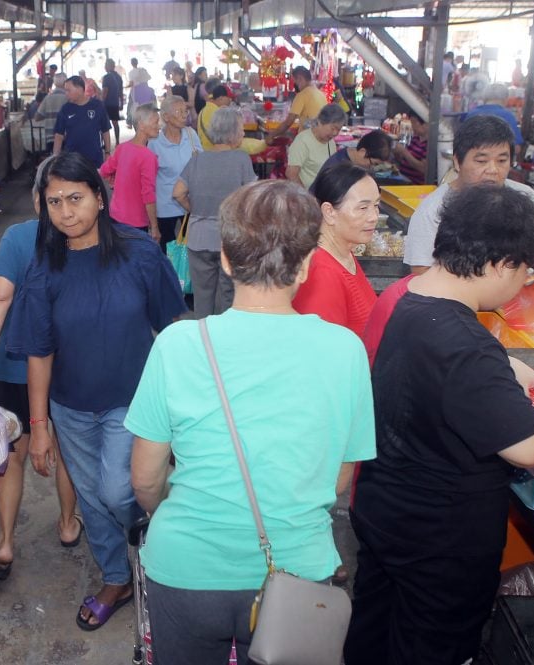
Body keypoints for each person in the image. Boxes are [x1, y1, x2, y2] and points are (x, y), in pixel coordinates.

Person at [127, 179, 375, 665]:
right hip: (297, 571)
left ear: (223, 258)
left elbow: (145, 477)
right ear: (305, 265)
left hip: (185, 569)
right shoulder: (346, 351)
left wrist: (168, 511)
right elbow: (340, 478)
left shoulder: (177, 346)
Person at [344, 184, 534, 665]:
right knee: (431, 648)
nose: (522, 287)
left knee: (374, 631)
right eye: (526, 272)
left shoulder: (408, 296)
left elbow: (438, 368)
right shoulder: (467, 344)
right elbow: (528, 448)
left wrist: (509, 368)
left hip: (386, 508)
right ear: (500, 264)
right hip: (439, 539)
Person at [7, 152, 186, 632]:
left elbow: (171, 328)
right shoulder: (46, 266)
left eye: (75, 198)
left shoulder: (139, 253)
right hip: (70, 406)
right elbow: (39, 352)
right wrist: (39, 426)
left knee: (119, 490)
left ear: (99, 199)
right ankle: (116, 577)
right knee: (91, 497)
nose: (66, 211)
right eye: (54, 202)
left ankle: (165, 541)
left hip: (134, 402)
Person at [0, 161, 83, 581]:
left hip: (14, 366)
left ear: (36, 199)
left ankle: (4, 543)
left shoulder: (19, 236)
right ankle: (69, 524)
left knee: (12, 456)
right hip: (69, 364)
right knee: (68, 449)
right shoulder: (83, 239)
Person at [403, 115, 534, 278]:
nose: (493, 170)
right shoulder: (432, 211)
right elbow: (421, 273)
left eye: (502, 160)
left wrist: (522, 286)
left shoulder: (527, 198)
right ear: (458, 162)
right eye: (481, 161)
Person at [173, 107, 257, 316]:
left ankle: (203, 337)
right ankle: (223, 340)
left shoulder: (197, 159)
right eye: (241, 129)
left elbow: (178, 193)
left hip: (198, 237)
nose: (243, 133)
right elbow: (252, 199)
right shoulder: (241, 159)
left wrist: (196, 210)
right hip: (230, 237)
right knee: (228, 294)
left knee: (202, 294)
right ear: (231, 131)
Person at [292, 163, 379, 339]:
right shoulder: (322, 273)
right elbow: (325, 352)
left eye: (376, 205)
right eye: (363, 208)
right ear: (329, 212)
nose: (374, 216)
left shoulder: (344, 253)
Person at [149, 95, 202, 250]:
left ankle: (186, 274)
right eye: (179, 112)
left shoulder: (191, 134)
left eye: (185, 111)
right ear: (166, 117)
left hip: (189, 202)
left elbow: (201, 160)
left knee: (191, 247)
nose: (184, 115)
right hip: (165, 205)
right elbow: (149, 177)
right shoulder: (155, 142)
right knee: (167, 247)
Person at [101, 104, 161, 240]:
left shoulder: (122, 148)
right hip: (136, 222)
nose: (159, 126)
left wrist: (113, 179)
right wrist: (155, 227)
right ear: (141, 125)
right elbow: (148, 194)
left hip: (115, 216)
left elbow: (104, 170)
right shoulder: (148, 157)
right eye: (156, 122)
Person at [52, 75, 112, 168]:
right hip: (72, 160)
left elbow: (105, 131)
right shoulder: (65, 109)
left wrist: (107, 153)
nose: (66, 94)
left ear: (80, 89)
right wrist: (55, 158)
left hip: (94, 160)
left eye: (68, 90)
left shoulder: (97, 106)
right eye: (65, 90)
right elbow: (59, 135)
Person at [285, 103, 346, 187]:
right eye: (333, 128)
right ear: (320, 122)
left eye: (338, 130)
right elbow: (291, 174)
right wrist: (307, 196)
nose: (335, 133)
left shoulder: (331, 143)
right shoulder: (303, 141)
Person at [265, 66, 326, 143]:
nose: (295, 85)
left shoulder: (302, 95)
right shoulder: (321, 94)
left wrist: (271, 135)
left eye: (295, 82)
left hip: (308, 140)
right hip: (320, 139)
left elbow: (288, 122)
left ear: (300, 79)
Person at [318, 129, 393, 175]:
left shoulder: (349, 157)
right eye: (373, 163)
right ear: (362, 152)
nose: (371, 167)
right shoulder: (338, 168)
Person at [196, 83, 233, 151]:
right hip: (214, 153)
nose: (230, 101)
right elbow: (223, 137)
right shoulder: (217, 113)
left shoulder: (204, 110)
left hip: (205, 152)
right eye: (229, 98)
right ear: (220, 98)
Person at [394, 113, 428, 184]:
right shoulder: (416, 138)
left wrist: (404, 152)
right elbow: (406, 161)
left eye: (414, 124)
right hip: (403, 179)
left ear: (425, 124)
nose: (413, 127)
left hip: (414, 185)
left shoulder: (430, 145)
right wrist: (397, 153)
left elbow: (423, 168)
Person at [100, 59, 124, 145]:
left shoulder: (106, 77)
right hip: (115, 103)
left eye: (105, 65)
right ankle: (117, 141)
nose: (104, 67)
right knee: (115, 123)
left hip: (107, 104)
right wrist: (121, 102)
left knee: (103, 124)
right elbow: (121, 91)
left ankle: (103, 143)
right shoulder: (119, 77)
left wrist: (101, 101)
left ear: (109, 66)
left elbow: (105, 91)